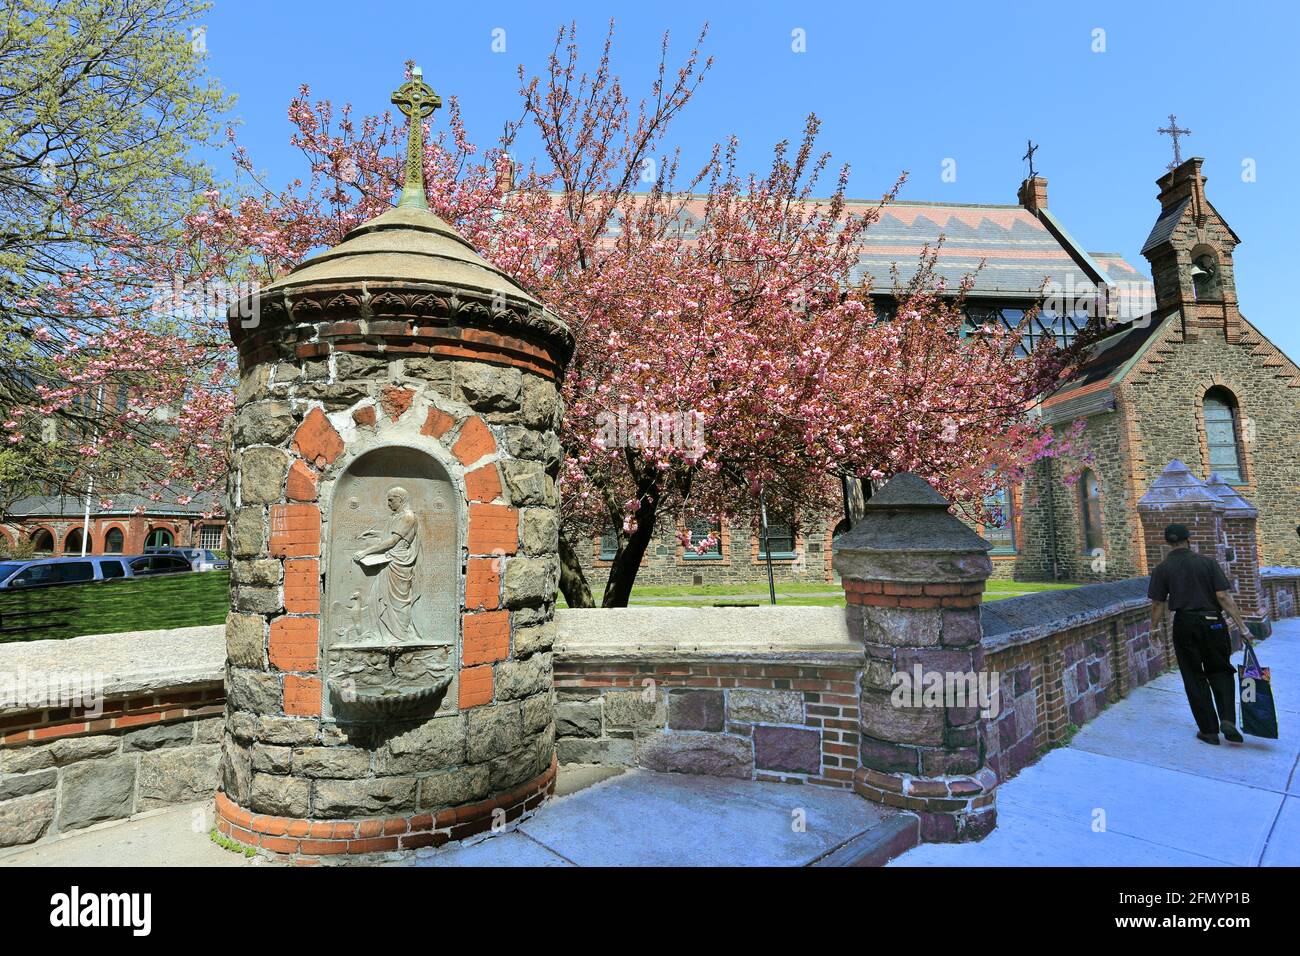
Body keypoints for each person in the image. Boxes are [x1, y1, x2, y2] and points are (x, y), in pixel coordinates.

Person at [1148, 523, 1249, 745]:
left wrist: (1153, 629)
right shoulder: (1207, 563)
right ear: (1188, 540)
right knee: (1221, 670)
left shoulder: (1162, 569)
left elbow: (1157, 603)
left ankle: (1208, 731)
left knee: (1193, 676)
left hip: (1184, 623)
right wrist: (1242, 628)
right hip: (1213, 621)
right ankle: (1227, 719)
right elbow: (1223, 597)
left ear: (1168, 543)